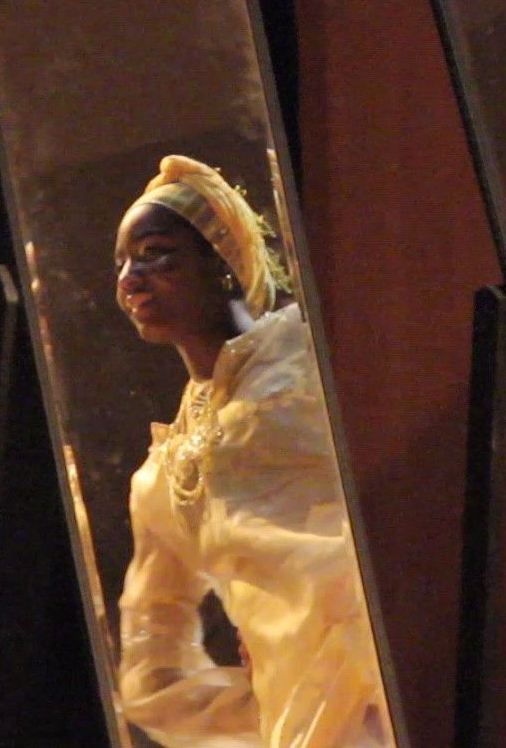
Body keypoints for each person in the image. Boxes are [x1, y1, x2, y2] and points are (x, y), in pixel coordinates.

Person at [110, 155, 391, 747]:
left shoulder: (316, 351)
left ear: (222, 262)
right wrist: (260, 705)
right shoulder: (162, 475)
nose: (131, 277)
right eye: (123, 263)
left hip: (413, 664)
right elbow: (148, 674)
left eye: (155, 251)